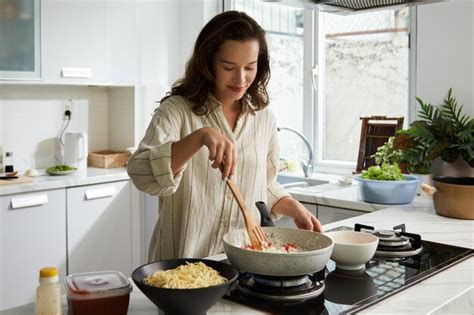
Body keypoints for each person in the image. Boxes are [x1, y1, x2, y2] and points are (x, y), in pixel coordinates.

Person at [127, 10, 322, 261]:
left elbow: (262, 183)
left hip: (241, 264)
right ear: (208, 62)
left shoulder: (264, 119)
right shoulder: (176, 111)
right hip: (182, 268)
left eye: (249, 67)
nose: (241, 79)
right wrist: (199, 137)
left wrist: (290, 205)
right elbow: (140, 172)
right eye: (229, 67)